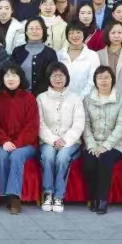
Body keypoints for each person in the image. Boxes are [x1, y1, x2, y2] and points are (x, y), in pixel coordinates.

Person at [37, 63, 84, 214]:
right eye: (54, 75)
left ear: (67, 78)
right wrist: (53, 140)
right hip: (48, 141)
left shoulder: (75, 98)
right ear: (49, 78)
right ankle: (48, 193)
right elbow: (40, 124)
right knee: (48, 156)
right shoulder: (41, 98)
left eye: (61, 75)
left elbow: (79, 124)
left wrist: (65, 140)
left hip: (70, 142)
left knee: (62, 157)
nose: (58, 78)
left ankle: (59, 196)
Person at [81, 66, 122, 214]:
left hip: (115, 145)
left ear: (112, 80)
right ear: (95, 80)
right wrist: (92, 145)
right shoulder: (87, 100)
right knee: (89, 163)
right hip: (93, 143)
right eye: (100, 77)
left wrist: (106, 146)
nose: (103, 81)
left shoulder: (121, 100)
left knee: (104, 160)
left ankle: (102, 200)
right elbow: (85, 125)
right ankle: (92, 198)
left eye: (107, 77)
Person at [0, 65, 39, 215]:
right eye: (7, 75)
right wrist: (4, 141)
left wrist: (17, 143)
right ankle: (4, 195)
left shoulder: (29, 98)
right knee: (0, 155)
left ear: (20, 78)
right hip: (4, 142)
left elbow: (32, 126)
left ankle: (14, 197)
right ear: (2, 79)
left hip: (26, 144)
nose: (10, 79)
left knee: (16, 156)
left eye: (14, 75)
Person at [10, 18, 61, 95]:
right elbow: (11, 73)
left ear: (43, 31)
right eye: (31, 28)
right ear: (26, 32)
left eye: (38, 28)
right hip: (19, 96)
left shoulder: (50, 53)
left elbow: (54, 76)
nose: (34, 31)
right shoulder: (17, 51)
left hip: (43, 97)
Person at [59, 22, 97, 99]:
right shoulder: (59, 54)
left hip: (84, 100)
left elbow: (92, 81)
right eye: (71, 33)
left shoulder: (92, 55)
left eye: (78, 32)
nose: (75, 35)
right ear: (67, 36)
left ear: (84, 34)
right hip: (61, 99)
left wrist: (79, 99)